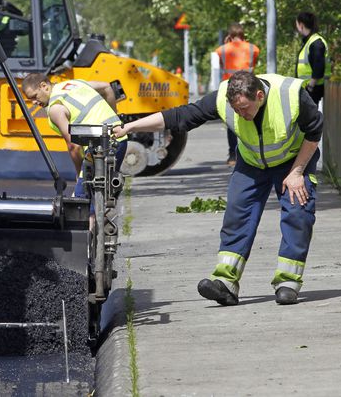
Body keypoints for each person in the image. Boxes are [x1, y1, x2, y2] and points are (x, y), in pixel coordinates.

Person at [112, 70, 322, 306]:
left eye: (245, 108)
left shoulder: (291, 95)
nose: (241, 115)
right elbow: (181, 117)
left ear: (260, 96)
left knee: (297, 212)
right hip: (252, 162)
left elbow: (314, 131)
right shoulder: (223, 97)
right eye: (236, 110)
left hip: (292, 160)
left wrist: (297, 172)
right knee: (237, 213)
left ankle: (288, 283)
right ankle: (225, 282)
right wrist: (130, 127)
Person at [21, 73, 128, 197]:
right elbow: (106, 87)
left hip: (98, 146)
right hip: (120, 139)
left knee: (80, 202)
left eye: (35, 96)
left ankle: (93, 214)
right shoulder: (75, 84)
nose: (34, 102)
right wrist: (114, 116)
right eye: (30, 99)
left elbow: (73, 146)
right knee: (105, 189)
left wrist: (79, 175)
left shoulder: (55, 108)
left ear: (44, 86)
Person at [214, 23, 260, 166]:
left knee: (232, 122)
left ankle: (233, 156)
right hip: (248, 88)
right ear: (243, 34)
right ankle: (254, 153)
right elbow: (253, 64)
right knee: (251, 119)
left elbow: (222, 65)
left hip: (230, 88)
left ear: (229, 35)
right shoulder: (253, 48)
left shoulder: (221, 50)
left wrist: (226, 44)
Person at [295, 11, 329, 106]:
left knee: (312, 119)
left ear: (301, 25)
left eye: (297, 25)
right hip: (310, 91)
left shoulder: (315, 42)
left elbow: (319, 67)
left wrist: (310, 86)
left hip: (314, 91)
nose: (297, 28)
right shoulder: (310, 41)